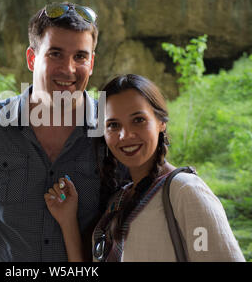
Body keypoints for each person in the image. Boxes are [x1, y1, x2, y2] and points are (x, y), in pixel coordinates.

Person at [0, 2, 107, 261]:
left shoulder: (113, 129)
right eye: (55, 54)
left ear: (91, 63)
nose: (69, 69)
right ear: (32, 58)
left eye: (80, 56)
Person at [45, 74, 245, 262]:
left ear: (161, 123)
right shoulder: (119, 200)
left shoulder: (185, 191)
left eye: (138, 120)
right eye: (113, 125)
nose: (125, 135)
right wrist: (67, 220)